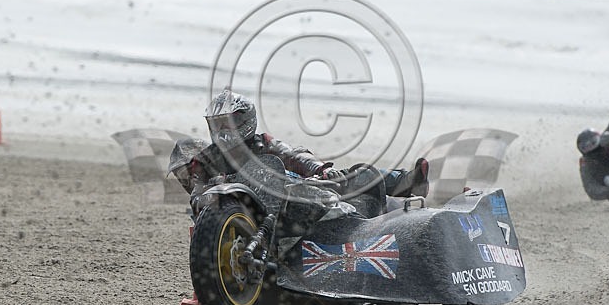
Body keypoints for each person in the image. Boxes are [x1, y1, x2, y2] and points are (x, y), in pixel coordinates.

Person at [169, 89, 429, 214]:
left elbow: (292, 154)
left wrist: (319, 169)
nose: (222, 130)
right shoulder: (208, 159)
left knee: (343, 178)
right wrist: (215, 184)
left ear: (244, 122)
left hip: (286, 191)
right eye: (217, 124)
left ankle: (407, 181)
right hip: (241, 210)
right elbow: (197, 193)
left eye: (227, 123)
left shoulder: (262, 143)